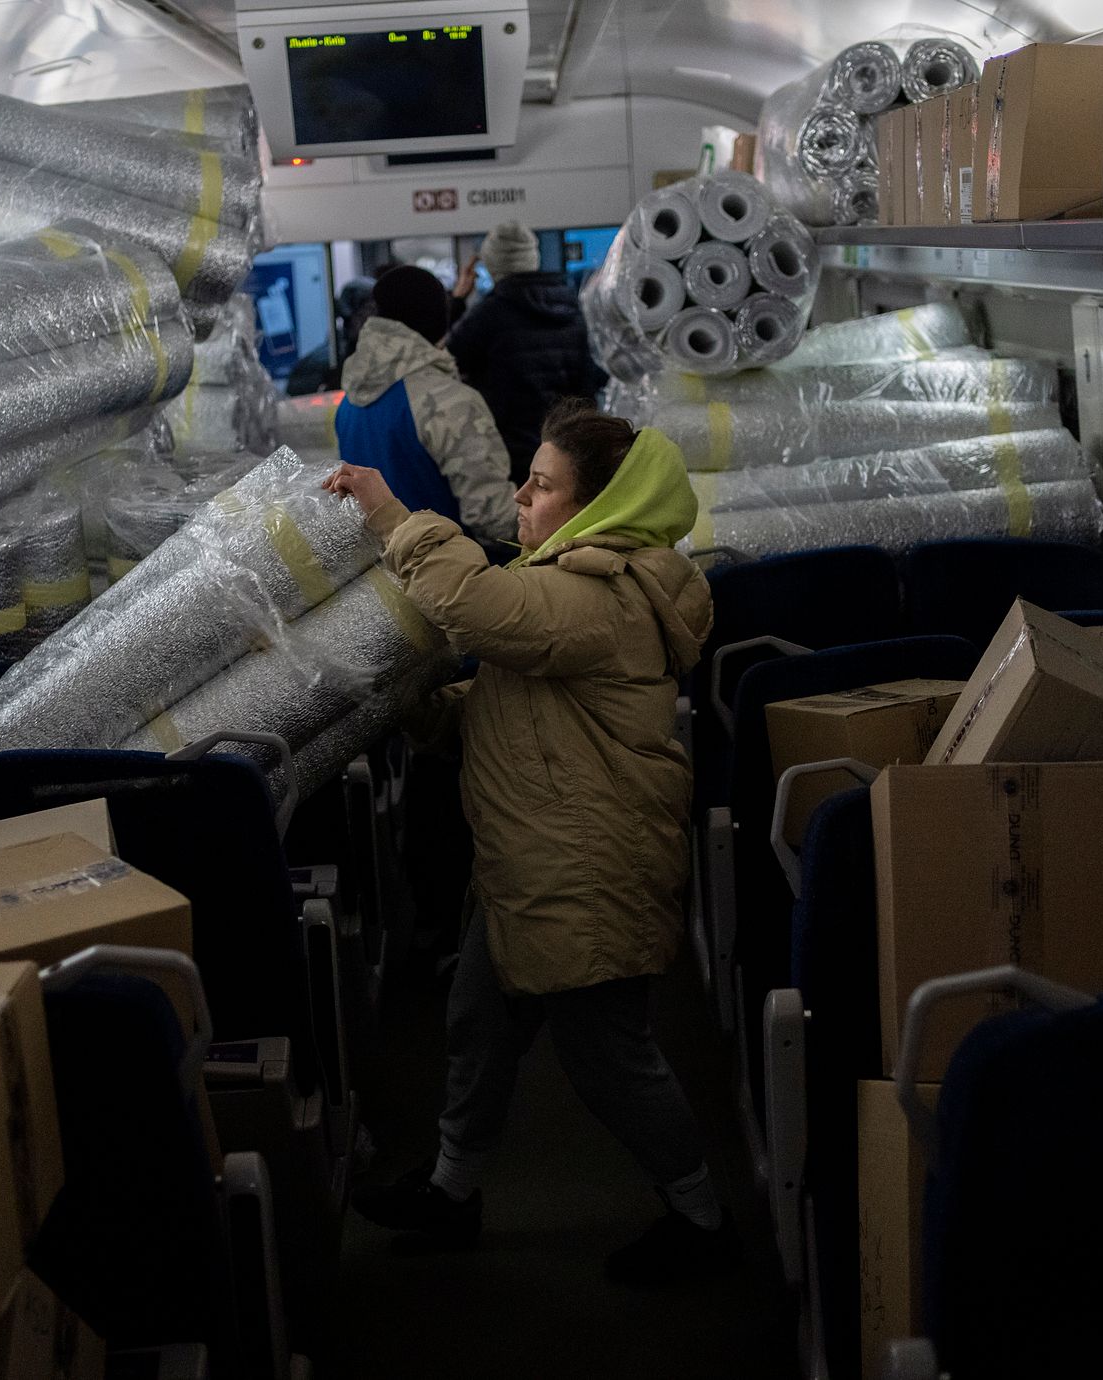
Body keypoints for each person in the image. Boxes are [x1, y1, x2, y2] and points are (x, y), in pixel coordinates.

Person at [323, 399, 738, 1285]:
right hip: (534, 861)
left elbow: (474, 605)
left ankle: (701, 1217)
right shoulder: (574, 588)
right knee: (477, 1023)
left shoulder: (605, 595)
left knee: (610, 1059)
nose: (521, 495)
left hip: (587, 868)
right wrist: (416, 706)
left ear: (597, 508)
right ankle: (451, 1191)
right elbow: (512, 707)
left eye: (543, 485)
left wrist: (390, 515)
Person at [335, 264, 516, 551]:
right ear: (435, 320)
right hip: (451, 569)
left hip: (384, 568)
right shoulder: (448, 401)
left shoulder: (349, 402)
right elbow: (493, 519)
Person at [446, 222, 607, 485]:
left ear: (493, 264)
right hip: (563, 448)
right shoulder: (570, 307)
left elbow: (445, 360)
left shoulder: (489, 314)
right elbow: (587, 384)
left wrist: (457, 300)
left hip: (507, 452)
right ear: (533, 258)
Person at [286, 276, 376, 395]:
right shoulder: (327, 359)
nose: (374, 318)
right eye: (369, 309)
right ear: (351, 315)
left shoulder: (379, 351)